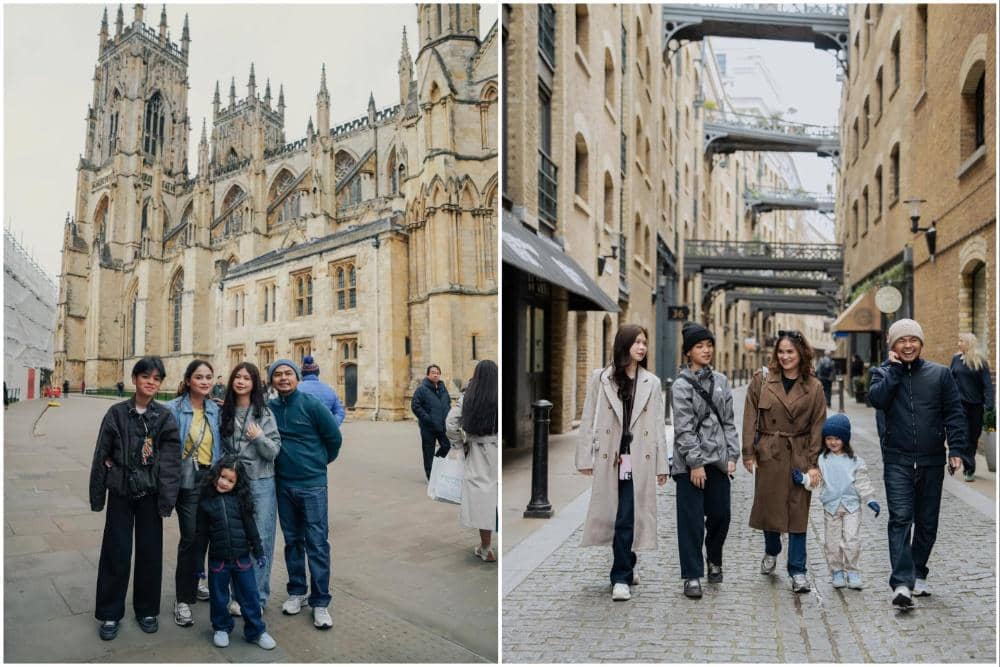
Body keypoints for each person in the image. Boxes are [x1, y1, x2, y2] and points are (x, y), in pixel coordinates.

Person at [868, 318, 970, 609]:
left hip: (931, 460)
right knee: (900, 518)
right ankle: (901, 583)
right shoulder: (882, 373)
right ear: (893, 345)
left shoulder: (940, 374)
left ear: (921, 343)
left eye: (913, 340)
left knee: (927, 521)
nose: (908, 345)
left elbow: (954, 412)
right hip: (897, 459)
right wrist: (895, 371)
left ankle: (918, 571)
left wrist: (957, 449)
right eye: (902, 340)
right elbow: (878, 400)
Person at [89, 356, 181, 640]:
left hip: (150, 495)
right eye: (145, 376)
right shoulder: (115, 413)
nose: (151, 382)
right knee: (115, 552)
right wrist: (97, 495)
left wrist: (166, 500)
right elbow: (101, 454)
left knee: (150, 553)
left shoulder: (164, 417)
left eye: (156, 378)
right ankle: (109, 613)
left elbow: (170, 462)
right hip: (121, 492)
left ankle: (147, 609)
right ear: (135, 379)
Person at [575, 324, 669, 602]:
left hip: (633, 457)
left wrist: (662, 465)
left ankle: (620, 576)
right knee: (616, 513)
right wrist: (584, 457)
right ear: (623, 345)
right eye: (636, 342)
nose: (642, 347)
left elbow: (657, 425)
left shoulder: (651, 382)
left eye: (644, 342)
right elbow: (587, 417)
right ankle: (626, 564)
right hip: (610, 456)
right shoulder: (600, 378)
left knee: (627, 512)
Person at [741, 329, 827, 594]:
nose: (785, 356)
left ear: (801, 353)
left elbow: (818, 426)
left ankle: (798, 571)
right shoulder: (762, 380)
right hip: (770, 452)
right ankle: (772, 548)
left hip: (800, 452)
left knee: (798, 513)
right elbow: (749, 416)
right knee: (770, 509)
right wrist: (748, 451)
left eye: (790, 351)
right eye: (781, 351)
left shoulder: (814, 387)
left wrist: (813, 463)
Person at [268, 359, 342, 630]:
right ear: (272, 380)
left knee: (317, 543)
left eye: (288, 373)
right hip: (283, 484)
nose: (283, 378)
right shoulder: (271, 408)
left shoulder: (312, 405)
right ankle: (297, 591)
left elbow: (333, 438)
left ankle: (320, 601)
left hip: (312, 484)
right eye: (278, 374)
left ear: (297, 377)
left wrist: (318, 462)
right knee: (292, 541)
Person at [671, 322, 739, 599]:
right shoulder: (680, 385)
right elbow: (684, 427)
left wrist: (732, 454)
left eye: (709, 345)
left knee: (721, 514)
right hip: (690, 463)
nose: (706, 350)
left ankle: (714, 558)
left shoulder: (721, 381)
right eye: (700, 346)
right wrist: (695, 463)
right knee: (691, 521)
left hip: (719, 461)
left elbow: (729, 422)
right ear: (688, 352)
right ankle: (691, 575)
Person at [218, 362, 281, 615]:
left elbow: (273, 451)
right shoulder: (225, 411)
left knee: (262, 539)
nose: (241, 381)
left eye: (247, 378)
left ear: (254, 383)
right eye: (238, 377)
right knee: (236, 540)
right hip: (234, 483)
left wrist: (259, 438)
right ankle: (237, 596)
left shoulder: (264, 414)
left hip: (261, 481)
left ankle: (258, 597)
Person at [165, 360, 223, 628]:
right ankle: (182, 600)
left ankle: (198, 579)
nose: (204, 381)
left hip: (210, 479)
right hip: (186, 480)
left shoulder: (215, 409)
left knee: (206, 536)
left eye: (208, 377)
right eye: (198, 377)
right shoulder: (173, 409)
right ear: (188, 380)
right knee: (189, 537)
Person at [196, 456, 276, 650]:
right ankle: (221, 628)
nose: (225, 482)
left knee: (250, 596)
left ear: (237, 483)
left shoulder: (241, 501)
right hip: (218, 562)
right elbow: (201, 536)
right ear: (216, 475)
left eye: (231, 480)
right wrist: (198, 564)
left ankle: (256, 631)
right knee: (218, 597)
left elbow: (251, 529)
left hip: (242, 560)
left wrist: (259, 552)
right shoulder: (206, 503)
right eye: (223, 477)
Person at [795, 414, 880, 590]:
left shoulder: (855, 461)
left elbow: (862, 482)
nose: (833, 442)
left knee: (851, 540)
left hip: (852, 507)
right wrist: (803, 479)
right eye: (829, 438)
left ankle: (853, 571)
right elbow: (816, 481)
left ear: (845, 439)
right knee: (831, 543)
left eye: (837, 438)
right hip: (831, 507)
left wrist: (870, 499)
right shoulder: (822, 460)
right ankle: (837, 571)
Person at [445, 359, 498, 562]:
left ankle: (486, 547)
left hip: (478, 450)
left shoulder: (469, 396)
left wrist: (458, 444)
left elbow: (451, 422)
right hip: (497, 449)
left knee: (483, 497)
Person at [950, 332, 994, 482]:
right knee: (963, 435)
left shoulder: (980, 361)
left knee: (973, 438)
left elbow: (987, 385)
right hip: (959, 404)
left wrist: (990, 405)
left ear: (969, 343)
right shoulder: (956, 359)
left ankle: (969, 462)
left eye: (961, 341)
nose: (958, 343)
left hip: (976, 406)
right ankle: (969, 468)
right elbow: (950, 379)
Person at [411, 364, 452, 479]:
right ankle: (431, 476)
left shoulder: (443, 389)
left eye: (437, 373)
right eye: (433, 372)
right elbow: (415, 406)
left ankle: (436, 464)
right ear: (428, 374)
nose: (435, 374)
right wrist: (427, 418)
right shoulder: (422, 389)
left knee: (447, 446)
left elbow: (447, 403)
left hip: (442, 425)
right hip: (428, 427)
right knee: (428, 451)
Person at [297, 355, 346, 425]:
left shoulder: (296, 389)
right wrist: (332, 425)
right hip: (325, 432)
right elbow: (340, 411)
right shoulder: (329, 389)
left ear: (301, 374)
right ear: (318, 373)